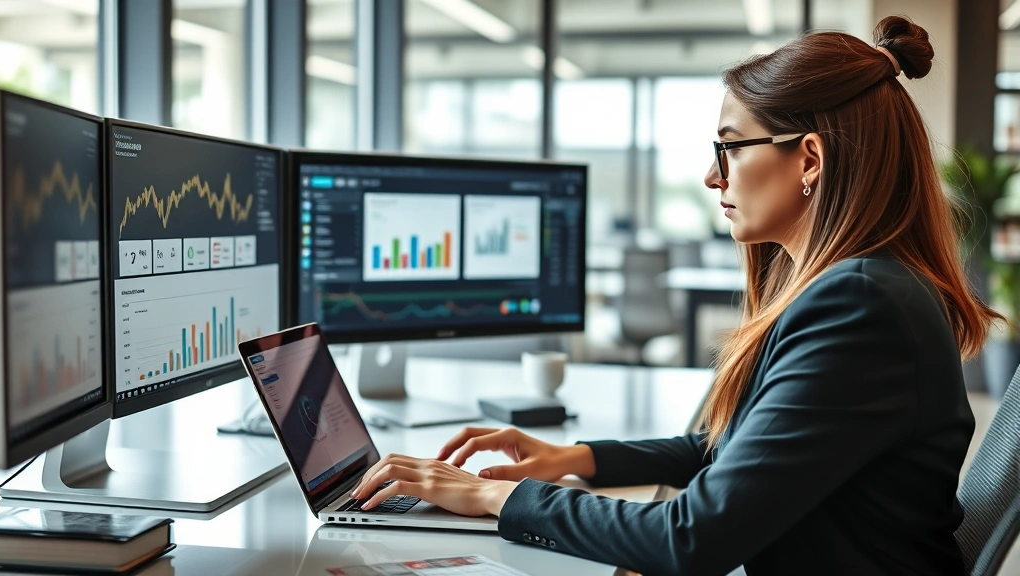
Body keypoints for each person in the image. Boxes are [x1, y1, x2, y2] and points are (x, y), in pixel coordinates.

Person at [349, 16, 1002, 576]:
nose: (712, 174)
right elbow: (735, 452)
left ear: (808, 159)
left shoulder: (861, 306)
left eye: (731, 147)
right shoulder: (865, 288)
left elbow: (691, 538)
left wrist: (491, 499)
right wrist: (573, 458)